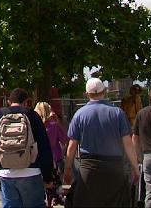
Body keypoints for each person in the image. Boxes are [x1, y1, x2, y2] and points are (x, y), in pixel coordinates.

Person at [63, 78, 139, 207]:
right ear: (104, 91)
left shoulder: (79, 114)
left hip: (89, 168)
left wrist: (68, 169)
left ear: (87, 94)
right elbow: (128, 144)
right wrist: (135, 168)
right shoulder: (117, 113)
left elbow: (72, 146)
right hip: (114, 167)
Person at [0, 88, 54, 208]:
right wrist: (48, 177)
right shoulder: (32, 116)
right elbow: (44, 147)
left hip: (6, 173)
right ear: (26, 102)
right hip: (31, 172)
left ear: (9, 102)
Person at [36, 101, 68, 206]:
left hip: (37, 159)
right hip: (54, 159)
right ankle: (54, 199)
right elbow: (64, 140)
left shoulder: (35, 126)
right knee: (53, 183)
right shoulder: (54, 126)